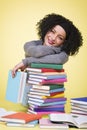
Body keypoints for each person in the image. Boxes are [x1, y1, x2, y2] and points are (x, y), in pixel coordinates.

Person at [12, 13, 83, 77]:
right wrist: (56, 50)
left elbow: (59, 59)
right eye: (52, 31)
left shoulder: (63, 55)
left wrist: (26, 61)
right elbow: (38, 52)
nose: (53, 38)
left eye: (60, 38)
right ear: (46, 28)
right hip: (29, 82)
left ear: (64, 42)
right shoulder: (30, 44)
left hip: (49, 87)